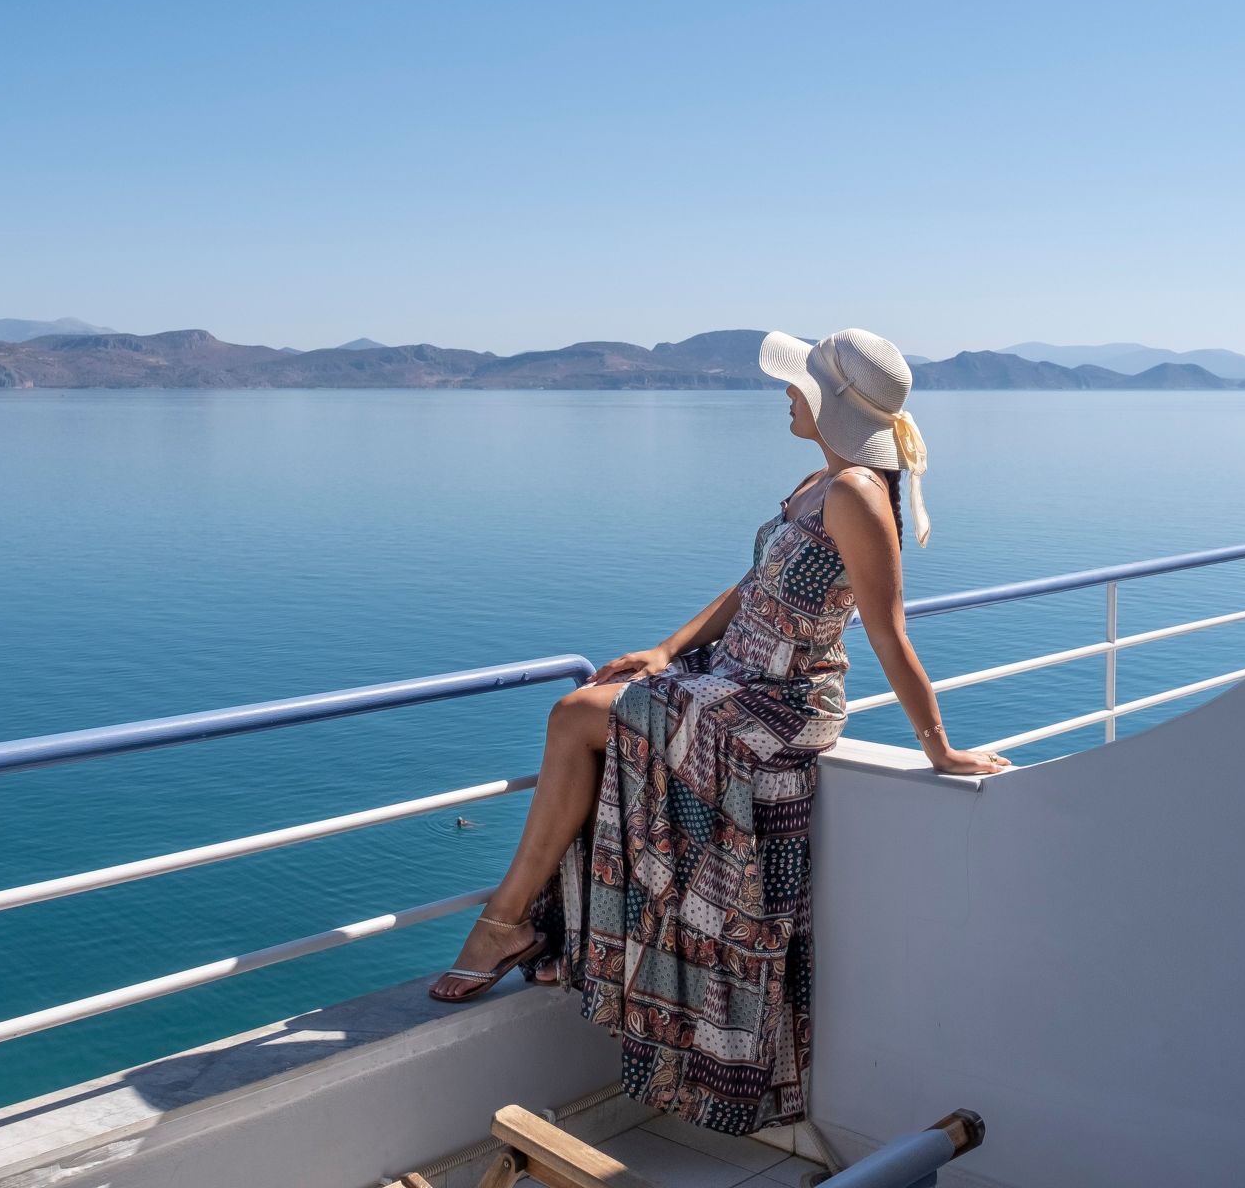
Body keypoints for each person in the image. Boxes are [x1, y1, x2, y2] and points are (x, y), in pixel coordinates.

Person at [428, 327, 1010, 1137]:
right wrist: (668, 648)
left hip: (779, 703)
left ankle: (505, 922)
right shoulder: (819, 481)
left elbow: (889, 634)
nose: (784, 394)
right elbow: (749, 586)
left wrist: (938, 747)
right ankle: (515, 921)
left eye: (798, 385)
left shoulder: (856, 498)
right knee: (587, 711)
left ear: (830, 405)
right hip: (730, 680)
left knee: (573, 716)